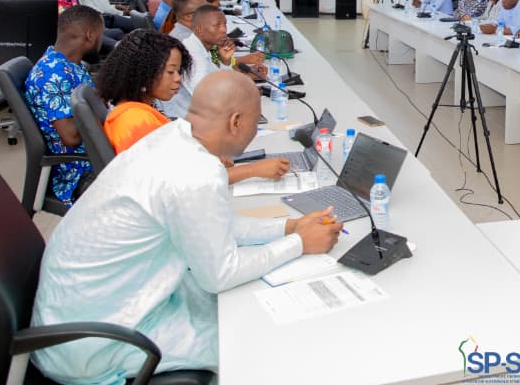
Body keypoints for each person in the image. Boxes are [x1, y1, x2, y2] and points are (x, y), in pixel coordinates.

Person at [31, 71, 344, 382]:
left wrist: (289, 227)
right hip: (94, 343)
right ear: (236, 122)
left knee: (236, 308)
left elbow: (215, 223)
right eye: (255, 120)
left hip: (85, 313)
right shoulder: (196, 174)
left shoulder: (171, 138)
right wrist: (300, 243)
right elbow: (221, 275)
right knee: (254, 339)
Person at [96, 30, 290, 184]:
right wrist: (253, 170)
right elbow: (183, 182)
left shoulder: (134, 109)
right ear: (143, 73)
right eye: (170, 72)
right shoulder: (137, 122)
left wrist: (204, 156)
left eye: (178, 71)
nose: (178, 79)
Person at [24, 5, 104, 203]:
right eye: (100, 36)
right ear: (90, 35)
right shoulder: (53, 74)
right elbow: (71, 137)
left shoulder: (70, 65)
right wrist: (99, 101)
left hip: (95, 153)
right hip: (79, 171)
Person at [163, 5, 238, 118]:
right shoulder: (192, 53)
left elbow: (222, 82)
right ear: (200, 29)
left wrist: (225, 62)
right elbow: (206, 96)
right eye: (217, 25)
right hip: (187, 119)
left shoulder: (200, 48)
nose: (224, 30)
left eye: (225, 24)